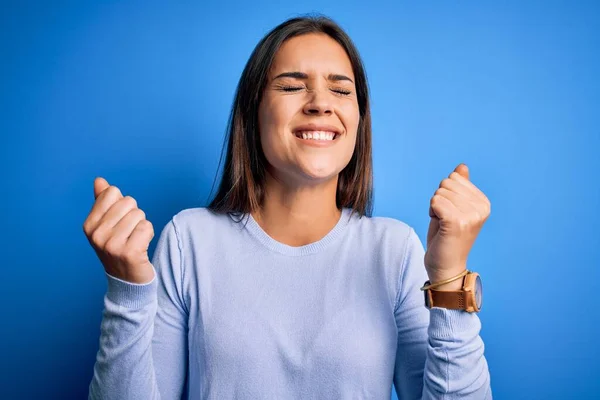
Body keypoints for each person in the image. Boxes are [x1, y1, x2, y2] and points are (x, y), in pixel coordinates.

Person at [85, 15, 492, 400]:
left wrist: (450, 279)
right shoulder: (188, 240)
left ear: (358, 120)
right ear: (253, 113)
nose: (320, 103)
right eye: (292, 86)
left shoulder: (395, 250)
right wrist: (128, 290)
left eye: (341, 89)